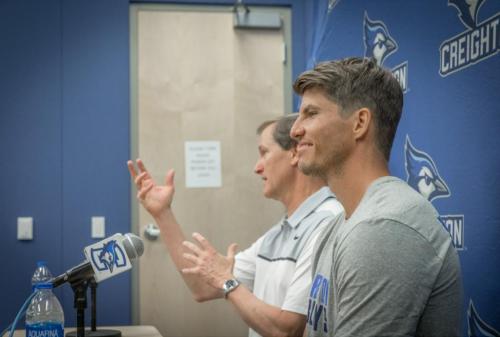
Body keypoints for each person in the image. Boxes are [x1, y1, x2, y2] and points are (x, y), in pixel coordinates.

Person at [290, 57, 463, 337]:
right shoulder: (338, 227)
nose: (295, 130)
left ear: (359, 123)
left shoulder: (385, 227)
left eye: (311, 114)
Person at [128, 114, 344, 337]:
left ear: (294, 152)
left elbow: (286, 330)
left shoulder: (327, 223)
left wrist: (227, 281)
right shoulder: (281, 231)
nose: (257, 168)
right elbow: (202, 286)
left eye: (264, 153)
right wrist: (162, 214)